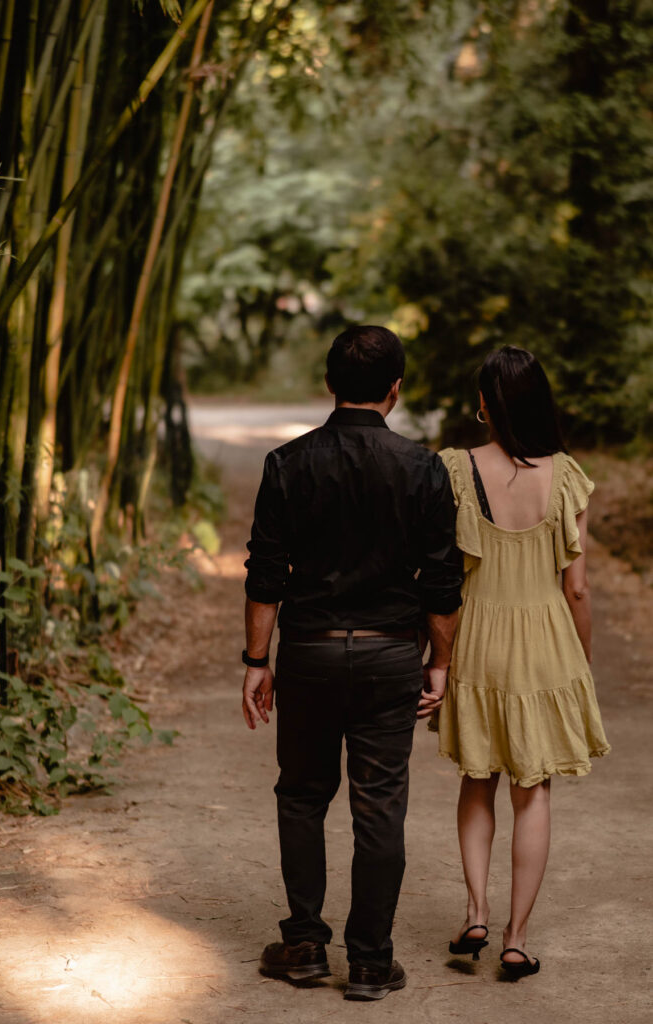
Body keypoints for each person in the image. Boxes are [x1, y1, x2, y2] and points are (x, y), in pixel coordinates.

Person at [241, 325, 463, 1001]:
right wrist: (439, 664)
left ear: (329, 384)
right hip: (390, 654)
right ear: (396, 389)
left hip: (308, 653)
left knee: (302, 796)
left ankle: (305, 947)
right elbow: (442, 584)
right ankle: (369, 962)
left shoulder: (287, 463)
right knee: (380, 808)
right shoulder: (423, 468)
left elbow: (266, 574)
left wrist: (257, 660)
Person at [425, 345, 610, 976]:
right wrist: (582, 663)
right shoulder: (566, 476)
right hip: (545, 643)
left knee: (477, 780)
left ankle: (475, 912)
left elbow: (440, 570)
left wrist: (434, 652)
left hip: (477, 639)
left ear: (484, 403)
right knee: (533, 791)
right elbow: (577, 588)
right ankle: (515, 937)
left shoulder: (454, 469)